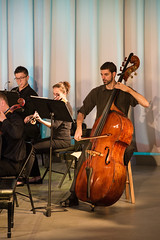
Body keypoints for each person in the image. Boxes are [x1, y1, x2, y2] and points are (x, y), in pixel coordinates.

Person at [61, 61, 149, 207]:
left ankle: (113, 180)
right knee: (85, 154)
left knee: (128, 150)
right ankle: (74, 195)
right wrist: (78, 128)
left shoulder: (125, 91)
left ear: (114, 74)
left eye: (106, 74)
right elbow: (82, 112)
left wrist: (128, 90)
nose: (103, 77)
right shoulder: (97, 92)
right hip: (99, 136)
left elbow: (145, 103)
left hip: (119, 138)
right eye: (101, 74)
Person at [27, 81, 73, 183]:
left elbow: (54, 126)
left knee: (33, 147)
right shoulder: (58, 104)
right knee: (32, 145)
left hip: (62, 140)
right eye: (54, 94)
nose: (55, 97)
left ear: (64, 94)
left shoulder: (65, 106)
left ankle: (28, 176)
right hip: (56, 138)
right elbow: (46, 114)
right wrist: (34, 116)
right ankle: (35, 176)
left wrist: (40, 120)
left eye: (58, 94)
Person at [12, 66, 41, 142]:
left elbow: (29, 113)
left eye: (21, 78)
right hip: (13, 122)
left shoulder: (32, 94)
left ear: (27, 77)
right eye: (17, 78)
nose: (19, 81)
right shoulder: (13, 91)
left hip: (24, 124)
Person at [0, 92, 26, 177]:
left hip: (12, 163)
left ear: (2, 102)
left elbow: (16, 134)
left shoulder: (15, 117)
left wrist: (4, 120)